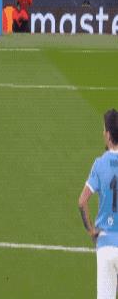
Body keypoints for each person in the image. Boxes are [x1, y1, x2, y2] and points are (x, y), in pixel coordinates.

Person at [79, 109, 118, 299]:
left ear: (109, 135)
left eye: (104, 130)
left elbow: (82, 202)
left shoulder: (99, 164)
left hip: (105, 244)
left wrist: (91, 231)